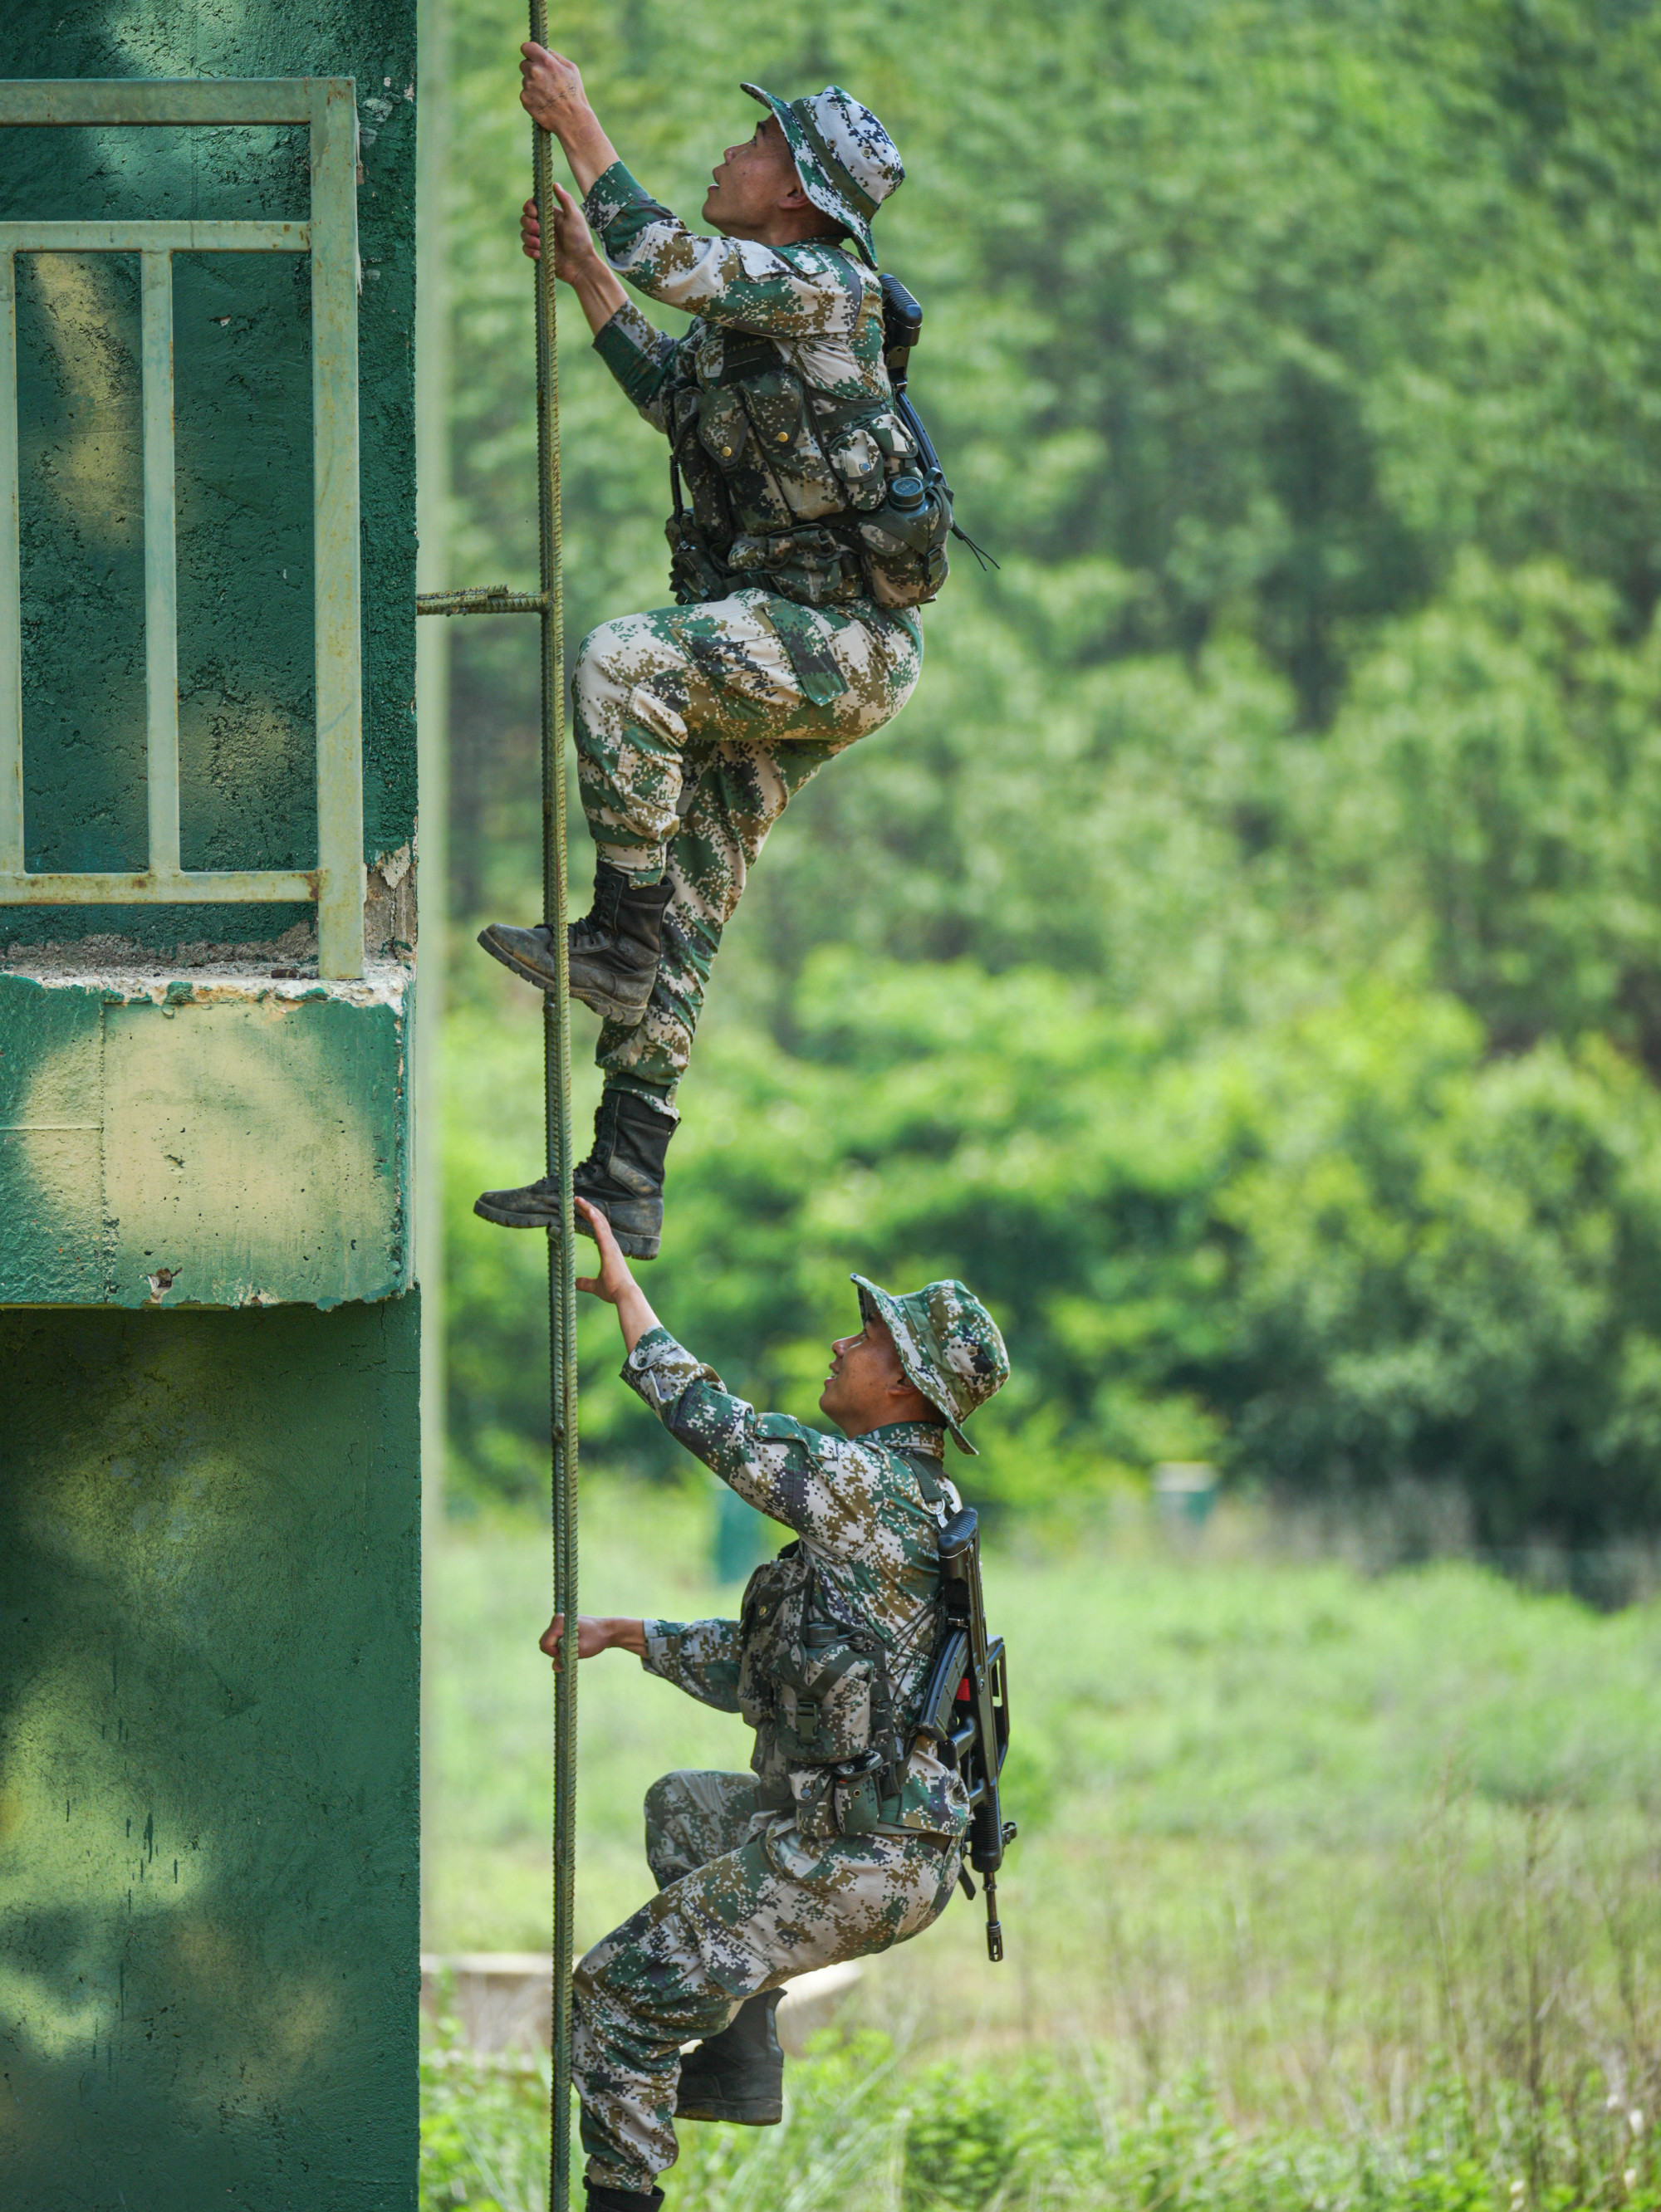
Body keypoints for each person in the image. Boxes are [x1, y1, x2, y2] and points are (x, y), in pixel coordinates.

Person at [475, 42, 940, 1260]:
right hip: (802, 648)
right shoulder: (761, 324)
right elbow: (677, 396)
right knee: (696, 885)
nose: (732, 154)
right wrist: (585, 276)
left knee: (623, 660)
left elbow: (667, 257)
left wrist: (581, 122)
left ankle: (616, 939)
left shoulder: (820, 289)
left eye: (758, 145)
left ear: (796, 194)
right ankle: (626, 1173)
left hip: (839, 644)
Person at [545, 1197, 1009, 2212]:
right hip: (878, 1838)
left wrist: (627, 1298)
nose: (844, 1343)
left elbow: (717, 1425)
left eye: (869, 1336)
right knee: (683, 1807)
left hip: (858, 1854)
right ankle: (737, 2053)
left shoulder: (868, 1489)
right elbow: (768, 1675)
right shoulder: (896, 1502)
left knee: (613, 1999)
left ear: (904, 1385)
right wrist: (628, 1636)